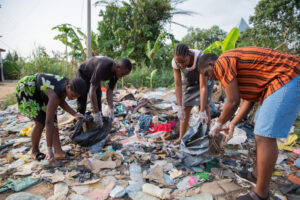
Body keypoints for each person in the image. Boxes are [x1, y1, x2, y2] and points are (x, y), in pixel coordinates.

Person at [197, 46, 300, 200]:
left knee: (264, 136)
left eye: (207, 74)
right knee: (260, 130)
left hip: (289, 76)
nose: (210, 78)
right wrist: (232, 124)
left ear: (211, 64)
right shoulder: (235, 72)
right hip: (280, 81)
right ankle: (255, 175)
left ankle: (260, 194)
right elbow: (248, 100)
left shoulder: (222, 62)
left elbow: (232, 101)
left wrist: (218, 124)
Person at [16, 73, 87, 161]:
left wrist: (75, 114)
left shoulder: (68, 86)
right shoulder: (55, 95)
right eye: (72, 95)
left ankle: (58, 151)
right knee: (41, 122)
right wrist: (49, 150)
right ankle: (34, 151)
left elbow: (61, 101)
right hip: (27, 88)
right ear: (68, 87)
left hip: (41, 89)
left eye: (76, 97)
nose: (73, 98)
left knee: (54, 120)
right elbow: (48, 122)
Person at [172, 44, 214, 145]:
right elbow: (178, 84)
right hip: (189, 82)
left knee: (205, 107)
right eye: (178, 62)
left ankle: (207, 135)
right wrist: (179, 106)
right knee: (186, 108)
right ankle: (181, 137)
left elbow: (203, 87)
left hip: (204, 82)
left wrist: (202, 110)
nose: (181, 65)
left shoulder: (200, 58)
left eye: (183, 61)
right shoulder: (175, 62)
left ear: (190, 54)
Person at [76, 57, 132, 126]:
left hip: (93, 75)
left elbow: (110, 91)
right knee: (82, 96)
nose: (122, 77)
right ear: (118, 67)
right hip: (83, 73)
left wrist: (111, 108)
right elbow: (92, 90)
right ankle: (79, 123)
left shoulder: (116, 74)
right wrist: (96, 113)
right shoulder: (103, 66)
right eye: (122, 74)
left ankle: (99, 121)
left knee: (98, 95)